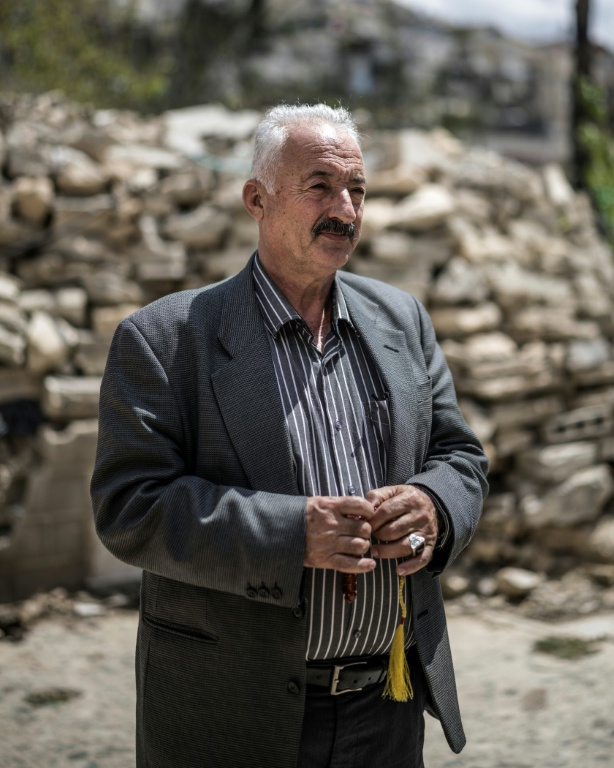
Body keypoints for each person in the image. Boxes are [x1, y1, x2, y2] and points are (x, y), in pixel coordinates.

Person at [91, 103, 488, 768]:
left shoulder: (401, 319)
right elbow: (129, 506)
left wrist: (436, 506)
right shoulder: (164, 340)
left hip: (385, 704)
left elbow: (459, 455)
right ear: (256, 198)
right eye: (320, 187)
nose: (346, 210)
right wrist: (290, 533)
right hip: (234, 714)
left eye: (357, 189)